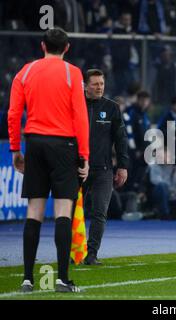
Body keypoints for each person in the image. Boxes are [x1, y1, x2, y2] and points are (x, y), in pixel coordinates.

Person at [8, 28, 89, 293]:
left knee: (34, 211)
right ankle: (62, 279)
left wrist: (15, 149)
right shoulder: (72, 73)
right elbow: (80, 117)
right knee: (63, 210)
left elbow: (13, 112)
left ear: (42, 45)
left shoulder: (26, 71)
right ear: (67, 48)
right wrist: (84, 156)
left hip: (35, 143)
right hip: (63, 145)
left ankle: (28, 279)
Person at [82, 69, 129, 265]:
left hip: (103, 169)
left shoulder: (112, 108)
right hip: (77, 169)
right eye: (95, 84)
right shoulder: (74, 105)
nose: (99, 87)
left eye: (101, 83)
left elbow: (121, 139)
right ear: (85, 86)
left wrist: (122, 166)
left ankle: (92, 254)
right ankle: (72, 252)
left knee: (100, 212)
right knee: (69, 213)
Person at [122, 90, 152, 215]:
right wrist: (135, 151)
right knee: (131, 177)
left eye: (147, 100)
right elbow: (130, 134)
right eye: (142, 100)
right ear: (138, 100)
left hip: (144, 153)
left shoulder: (145, 115)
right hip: (134, 153)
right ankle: (127, 206)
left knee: (141, 177)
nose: (145, 103)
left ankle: (139, 205)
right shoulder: (132, 113)